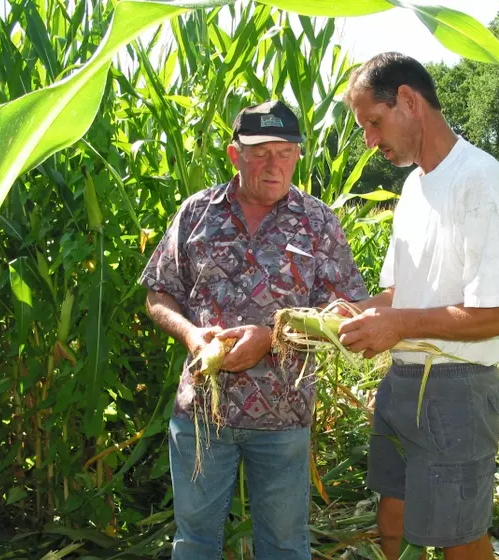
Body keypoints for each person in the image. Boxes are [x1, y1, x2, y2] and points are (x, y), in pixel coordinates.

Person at [139, 100, 368, 559]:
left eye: (285, 152)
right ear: (234, 154)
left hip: (283, 419)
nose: (273, 164)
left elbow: (351, 311)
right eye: (260, 152)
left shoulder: (318, 222)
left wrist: (272, 337)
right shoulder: (197, 213)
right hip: (202, 414)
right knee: (195, 542)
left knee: (284, 545)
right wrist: (190, 335)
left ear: (298, 156)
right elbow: (157, 293)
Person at [338, 53, 499, 560]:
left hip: (456, 390)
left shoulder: (478, 179)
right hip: (403, 382)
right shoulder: (413, 188)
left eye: (373, 123)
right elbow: (398, 293)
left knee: (459, 536)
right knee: (393, 513)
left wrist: (398, 323)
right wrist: (356, 313)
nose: (370, 140)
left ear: (408, 100)